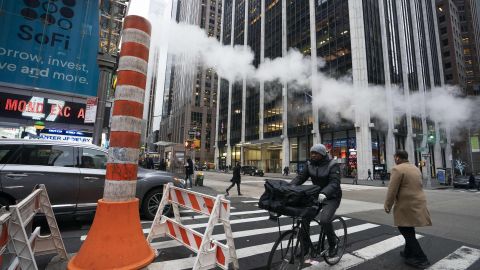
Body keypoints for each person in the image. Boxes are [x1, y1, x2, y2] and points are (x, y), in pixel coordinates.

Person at [290, 144, 342, 257]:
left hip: (332, 197)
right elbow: (300, 178)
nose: (313, 155)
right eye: (311, 153)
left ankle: (333, 244)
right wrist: (289, 188)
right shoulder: (309, 164)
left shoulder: (333, 164)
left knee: (324, 220)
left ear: (322, 154)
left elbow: (335, 183)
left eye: (316, 153)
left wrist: (325, 193)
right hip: (316, 196)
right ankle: (305, 247)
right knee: (303, 218)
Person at [384, 150, 432, 268]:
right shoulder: (415, 168)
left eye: (395, 157)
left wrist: (387, 205)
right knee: (409, 228)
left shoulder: (397, 169)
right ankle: (408, 252)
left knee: (405, 230)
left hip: (406, 205)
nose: (394, 159)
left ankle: (422, 258)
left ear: (398, 158)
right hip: (418, 203)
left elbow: (392, 190)